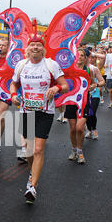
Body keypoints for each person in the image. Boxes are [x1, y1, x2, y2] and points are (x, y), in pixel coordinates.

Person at [10, 34, 68, 204]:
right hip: (26, 110)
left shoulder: (51, 65)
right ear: (27, 48)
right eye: (32, 44)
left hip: (45, 111)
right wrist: (14, 94)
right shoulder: (21, 65)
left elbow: (65, 85)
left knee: (38, 149)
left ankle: (32, 186)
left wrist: (56, 88)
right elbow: (14, 83)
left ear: (43, 48)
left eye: (38, 45)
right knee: (28, 149)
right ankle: (32, 171)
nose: (35, 47)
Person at [64, 48, 95, 164]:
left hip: (84, 101)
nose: (80, 57)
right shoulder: (69, 70)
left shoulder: (88, 70)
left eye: (82, 55)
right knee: (72, 129)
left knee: (79, 128)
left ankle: (80, 151)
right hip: (71, 101)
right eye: (78, 55)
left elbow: (93, 82)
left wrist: (93, 86)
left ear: (85, 58)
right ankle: (74, 150)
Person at [86, 52, 106, 140]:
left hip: (94, 94)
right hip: (83, 95)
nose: (90, 59)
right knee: (86, 114)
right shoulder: (77, 68)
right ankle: (89, 130)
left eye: (91, 57)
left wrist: (96, 85)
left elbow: (102, 81)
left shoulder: (94, 69)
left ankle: (93, 129)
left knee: (92, 112)